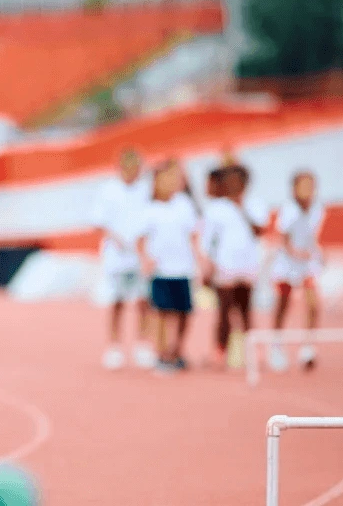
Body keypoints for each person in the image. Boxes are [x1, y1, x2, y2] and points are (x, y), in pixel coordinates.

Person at [92, 148, 155, 370]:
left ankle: (143, 345)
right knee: (117, 301)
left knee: (143, 301)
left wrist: (143, 246)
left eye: (136, 167)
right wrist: (117, 238)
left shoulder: (146, 190)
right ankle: (114, 346)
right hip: (117, 255)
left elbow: (151, 220)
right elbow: (99, 222)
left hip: (140, 255)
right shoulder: (108, 190)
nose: (132, 172)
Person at [200, 163, 268, 369]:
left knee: (246, 312)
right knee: (224, 312)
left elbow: (259, 229)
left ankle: (254, 353)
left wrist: (241, 207)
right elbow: (207, 241)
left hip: (247, 266)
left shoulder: (254, 204)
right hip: (225, 267)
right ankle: (220, 352)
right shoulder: (216, 208)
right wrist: (207, 267)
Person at [138, 158, 199, 371]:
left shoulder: (184, 204)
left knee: (184, 312)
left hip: (183, 268)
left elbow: (193, 236)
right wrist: (146, 259)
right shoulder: (150, 209)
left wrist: (200, 262)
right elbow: (141, 239)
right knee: (163, 312)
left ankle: (177, 350)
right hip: (161, 270)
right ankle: (163, 353)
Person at [269, 170, 325, 371]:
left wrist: (316, 253)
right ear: (294, 189)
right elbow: (282, 238)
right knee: (283, 305)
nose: (307, 191)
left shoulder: (318, 209)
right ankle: (276, 347)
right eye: (303, 186)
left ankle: (308, 347)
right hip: (286, 265)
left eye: (310, 186)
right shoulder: (288, 210)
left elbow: (313, 236)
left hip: (306, 264)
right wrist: (295, 252)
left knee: (313, 304)